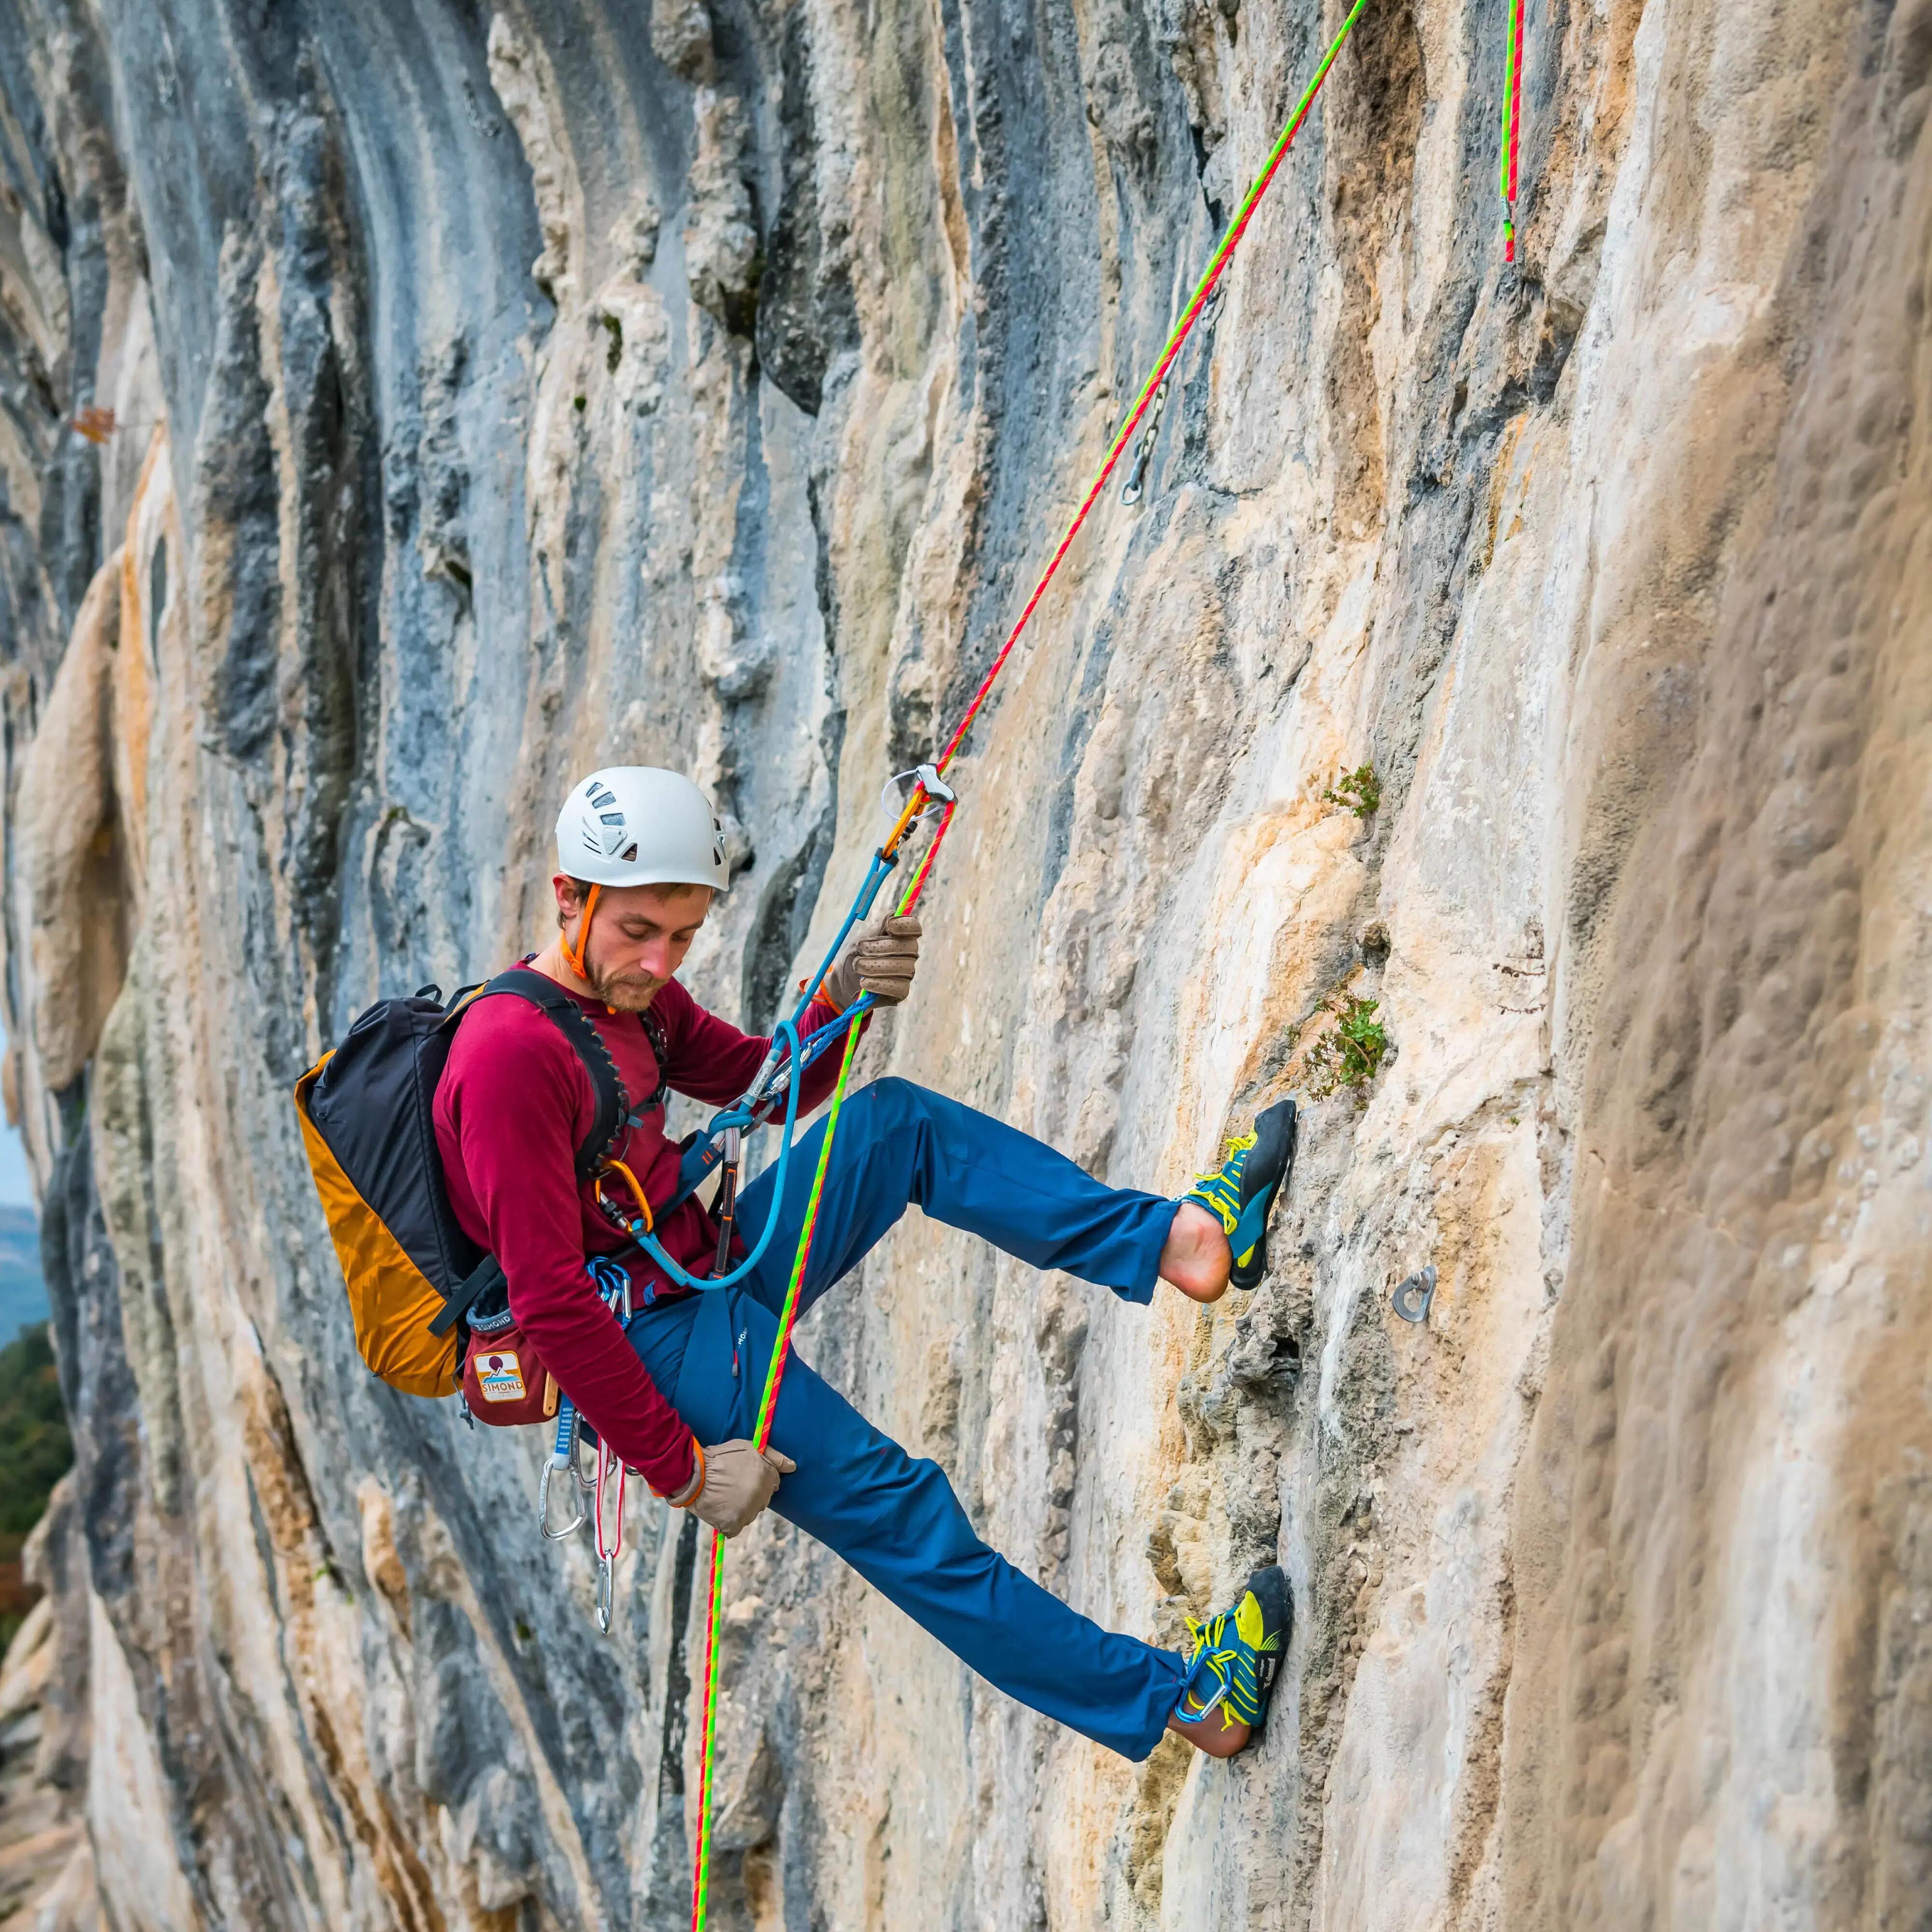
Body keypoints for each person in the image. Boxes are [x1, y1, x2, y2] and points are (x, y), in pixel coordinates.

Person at [434, 767, 1299, 1761]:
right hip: (652, 1344)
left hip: (702, 1270)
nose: (661, 959)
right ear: (568, 897)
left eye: (681, 935)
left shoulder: (637, 1000)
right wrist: (681, 1473)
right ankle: (1189, 1703)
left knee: (897, 1127)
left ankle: (1182, 1242)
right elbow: (549, 1301)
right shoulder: (507, 1056)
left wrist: (839, 994)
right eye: (638, 930)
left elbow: (762, 1082)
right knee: (903, 1511)